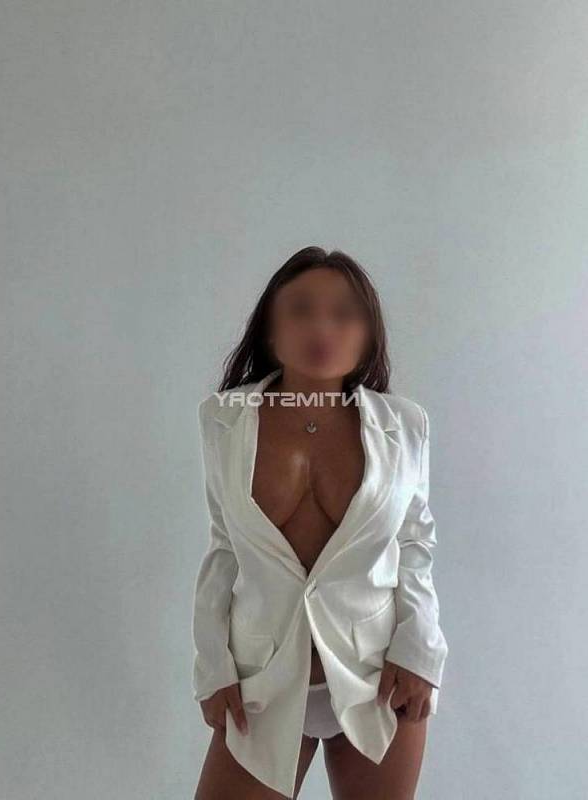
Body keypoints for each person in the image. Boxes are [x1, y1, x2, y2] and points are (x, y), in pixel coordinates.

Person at [192, 247, 448, 799]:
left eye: (344, 313)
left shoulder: (404, 425)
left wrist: (420, 651)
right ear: (270, 330)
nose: (322, 328)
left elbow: (413, 542)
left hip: (378, 676)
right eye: (301, 309)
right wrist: (212, 665)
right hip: (262, 680)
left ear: (368, 334)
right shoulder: (224, 419)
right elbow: (224, 546)